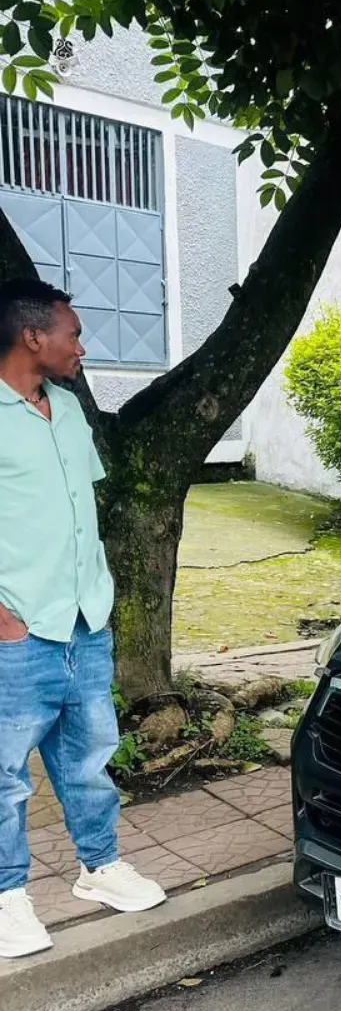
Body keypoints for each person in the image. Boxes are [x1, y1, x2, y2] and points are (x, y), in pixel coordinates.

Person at [0, 279, 166, 959]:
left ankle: (98, 868)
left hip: (83, 621)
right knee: (5, 777)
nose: (82, 345)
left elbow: (76, 508)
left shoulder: (67, 409)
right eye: (72, 332)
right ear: (32, 336)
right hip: (19, 630)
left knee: (88, 759)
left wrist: (97, 597)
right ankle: (9, 897)